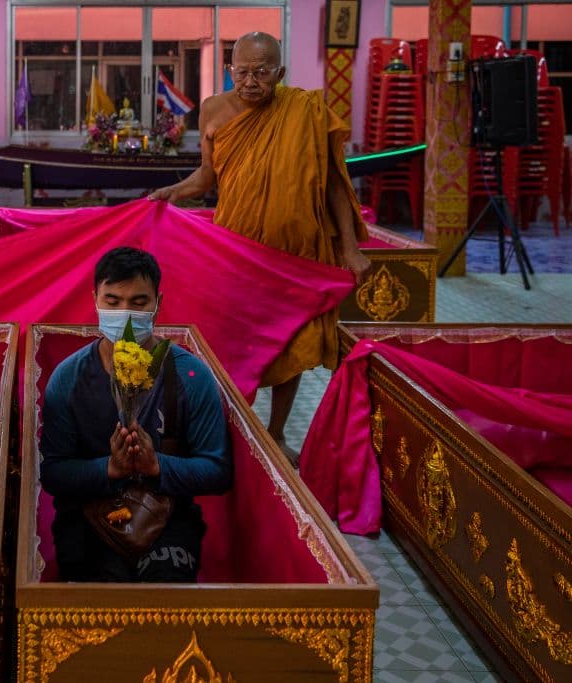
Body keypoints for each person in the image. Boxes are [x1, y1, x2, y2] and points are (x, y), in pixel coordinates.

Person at [149, 32, 372, 464]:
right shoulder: (213, 110)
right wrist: (173, 192)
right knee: (232, 341)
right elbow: (205, 179)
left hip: (297, 254)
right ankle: (228, 426)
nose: (251, 82)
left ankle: (276, 432)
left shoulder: (305, 111)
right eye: (243, 72)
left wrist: (349, 248)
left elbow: (335, 190)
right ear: (230, 71)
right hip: (238, 253)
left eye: (262, 72)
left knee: (294, 342)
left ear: (280, 73)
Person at [40, 247, 232, 582]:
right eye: (112, 302)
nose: (125, 314)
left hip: (168, 517)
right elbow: (54, 472)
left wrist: (156, 465)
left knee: (162, 593)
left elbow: (216, 471)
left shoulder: (191, 377)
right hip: (88, 516)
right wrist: (110, 469)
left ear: (158, 302)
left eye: (138, 302)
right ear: (95, 299)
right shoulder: (68, 379)